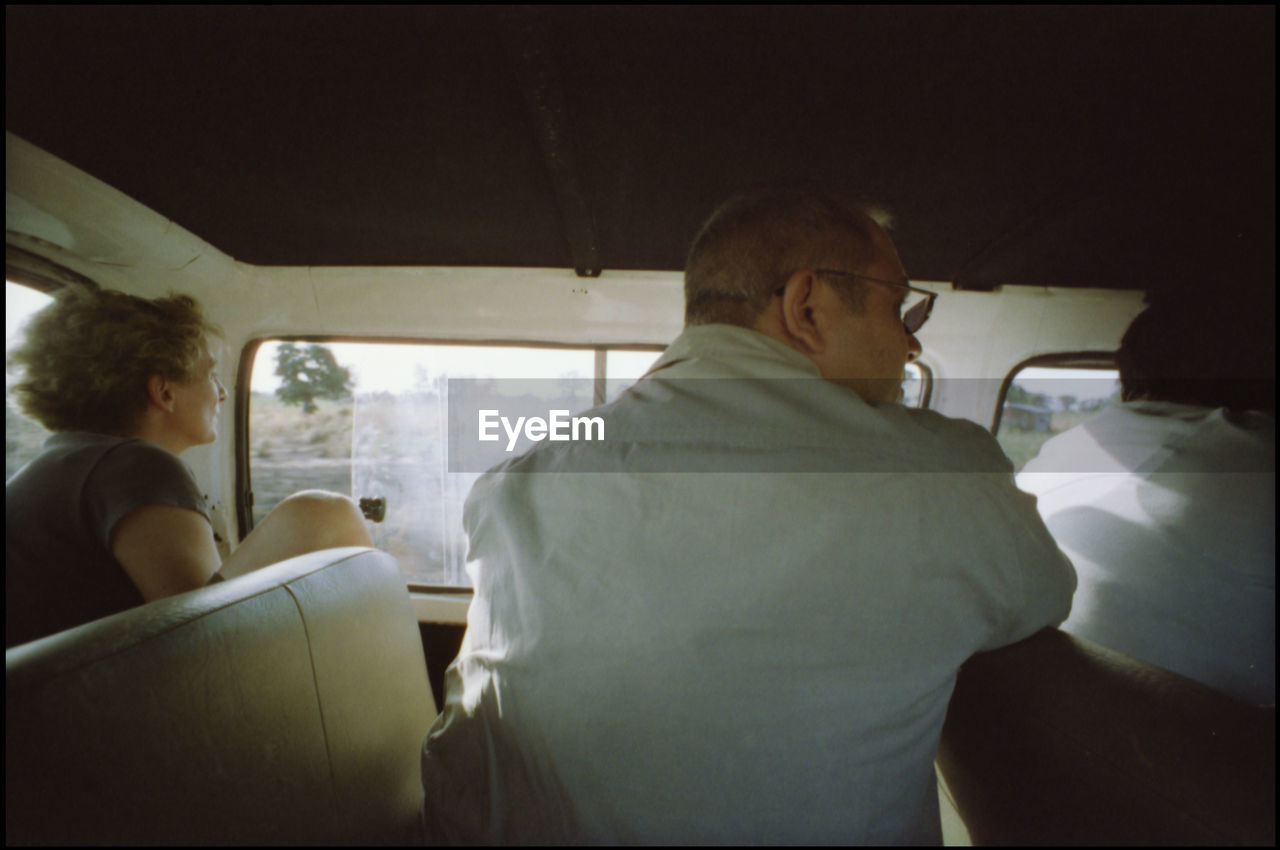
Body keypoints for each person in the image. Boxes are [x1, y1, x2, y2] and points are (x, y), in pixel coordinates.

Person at [420, 186, 1076, 843]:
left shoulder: (514, 485)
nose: (910, 345)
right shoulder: (947, 478)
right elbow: (1046, 594)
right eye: (902, 307)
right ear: (807, 306)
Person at [6, 286, 372, 648]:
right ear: (164, 392)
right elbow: (201, 642)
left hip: (72, 694)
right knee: (323, 513)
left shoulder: (60, 466)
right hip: (109, 701)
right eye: (211, 376)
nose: (223, 394)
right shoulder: (137, 467)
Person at [1017, 301, 1275, 705]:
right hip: (1205, 751)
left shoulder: (1059, 450)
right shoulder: (1256, 451)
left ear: (1129, 373)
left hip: (1047, 728)